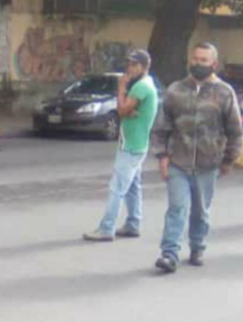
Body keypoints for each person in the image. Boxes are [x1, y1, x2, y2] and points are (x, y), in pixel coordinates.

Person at [152, 42, 242, 273]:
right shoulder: (176, 90)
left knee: (200, 210)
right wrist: (162, 156)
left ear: (214, 63)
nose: (198, 63)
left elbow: (235, 130)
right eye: (196, 59)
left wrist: (228, 160)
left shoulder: (224, 92)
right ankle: (169, 253)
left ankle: (197, 246)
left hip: (208, 164)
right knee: (176, 208)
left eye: (204, 60)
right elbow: (162, 127)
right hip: (178, 162)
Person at [83, 49, 159, 241]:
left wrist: (121, 89)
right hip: (136, 142)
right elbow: (128, 111)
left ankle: (106, 228)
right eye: (129, 64)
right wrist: (127, 108)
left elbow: (122, 111)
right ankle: (134, 223)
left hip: (132, 144)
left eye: (134, 64)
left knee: (117, 188)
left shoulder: (140, 87)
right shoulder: (147, 84)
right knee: (133, 186)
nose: (129, 68)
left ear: (143, 66)